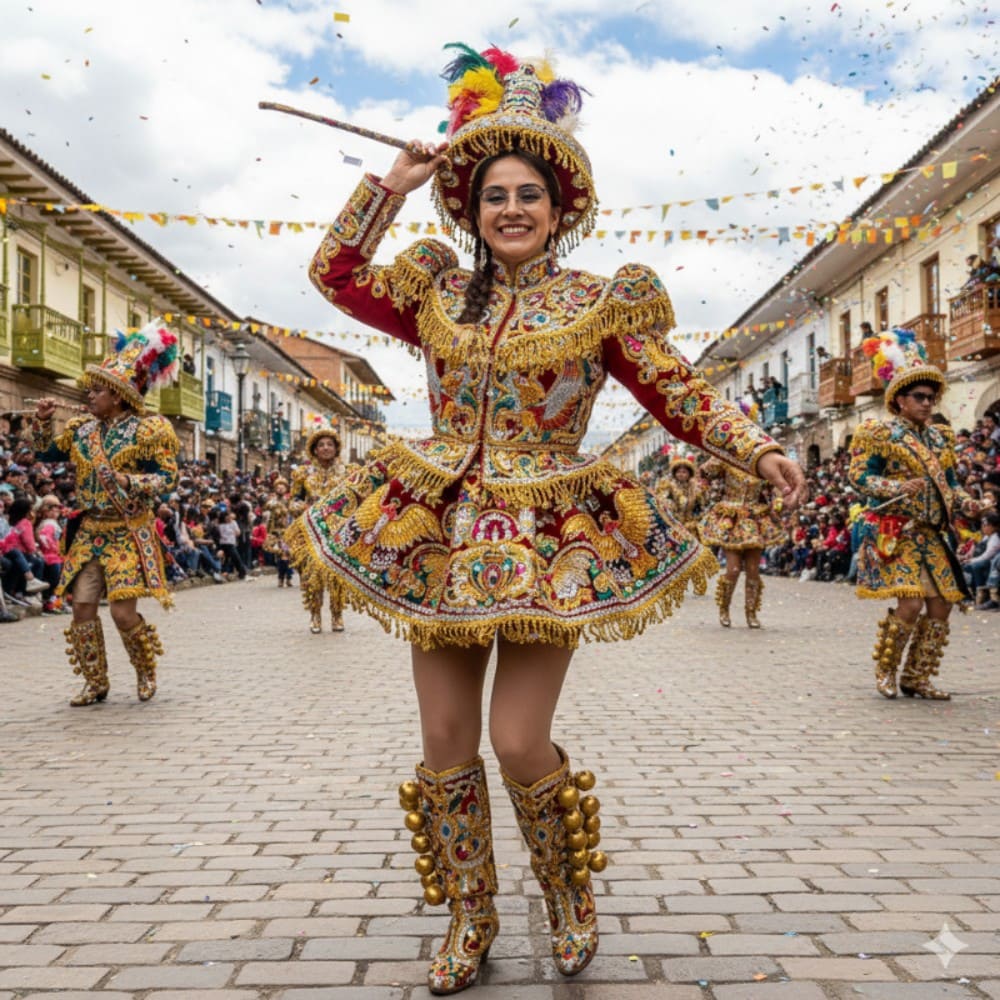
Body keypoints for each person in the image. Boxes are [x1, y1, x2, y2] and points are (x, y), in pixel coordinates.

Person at [286, 44, 806, 995]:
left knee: (519, 741)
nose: (512, 209)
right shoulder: (437, 293)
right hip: (437, 536)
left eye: (529, 193)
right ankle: (470, 915)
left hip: (546, 540)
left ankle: (566, 892)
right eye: (494, 196)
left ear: (560, 206)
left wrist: (756, 446)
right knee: (445, 742)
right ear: (471, 209)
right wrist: (391, 186)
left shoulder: (601, 303)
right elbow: (334, 273)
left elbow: (675, 389)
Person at [30, 321, 180, 706]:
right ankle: (95, 682)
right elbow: (46, 454)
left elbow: (167, 477)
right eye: (90, 390)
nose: (89, 395)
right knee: (81, 609)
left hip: (128, 530)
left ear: (117, 395)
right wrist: (44, 421)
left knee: (122, 612)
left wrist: (131, 482)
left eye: (97, 390)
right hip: (92, 529)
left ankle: (145, 673)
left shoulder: (150, 430)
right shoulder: (82, 430)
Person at [849, 327, 990, 700]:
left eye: (931, 397)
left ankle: (917, 676)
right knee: (910, 603)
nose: (927, 403)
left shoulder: (940, 438)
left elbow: (949, 484)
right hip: (898, 531)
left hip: (931, 534)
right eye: (919, 397)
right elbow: (859, 476)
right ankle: (886, 672)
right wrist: (896, 487)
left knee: (942, 606)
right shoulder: (879, 433)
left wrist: (970, 504)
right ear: (900, 400)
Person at [699, 402, 786, 629]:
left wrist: (778, 499)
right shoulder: (727, 456)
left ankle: (751, 614)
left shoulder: (763, 460)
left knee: (754, 571)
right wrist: (717, 449)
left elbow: (777, 482)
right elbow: (705, 472)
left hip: (756, 518)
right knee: (733, 569)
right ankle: (724, 609)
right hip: (732, 517)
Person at [291, 424, 346, 632]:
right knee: (312, 575)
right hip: (310, 530)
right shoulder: (303, 474)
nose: (325, 448)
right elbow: (292, 501)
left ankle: (337, 615)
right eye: (321, 445)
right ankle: (315, 616)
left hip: (337, 531)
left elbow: (355, 500)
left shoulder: (346, 472)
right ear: (314, 449)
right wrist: (303, 506)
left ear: (336, 448)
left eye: (329, 444)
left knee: (336, 575)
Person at [655, 454, 706, 537]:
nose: (681, 474)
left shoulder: (696, 489)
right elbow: (662, 504)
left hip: (691, 527)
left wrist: (694, 521)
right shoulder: (669, 487)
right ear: (674, 474)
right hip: (675, 526)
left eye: (684, 472)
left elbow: (700, 508)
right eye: (678, 472)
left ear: (690, 474)